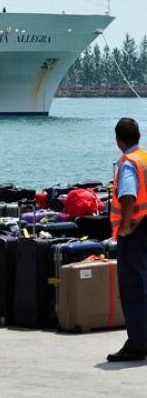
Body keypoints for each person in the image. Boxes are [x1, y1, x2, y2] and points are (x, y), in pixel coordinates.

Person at [108, 117, 147, 362]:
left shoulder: (128, 162)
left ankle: (137, 344)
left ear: (119, 140)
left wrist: (124, 226)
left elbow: (128, 193)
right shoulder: (144, 157)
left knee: (133, 288)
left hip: (135, 233)